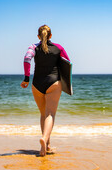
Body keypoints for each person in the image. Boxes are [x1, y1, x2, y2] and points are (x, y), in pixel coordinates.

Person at [20, 24, 70, 156]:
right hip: (53, 83)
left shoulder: (33, 47)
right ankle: (45, 140)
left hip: (37, 84)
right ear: (51, 35)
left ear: (38, 36)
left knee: (43, 114)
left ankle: (45, 147)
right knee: (50, 114)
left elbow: (26, 59)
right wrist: (66, 84)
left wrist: (26, 78)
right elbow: (68, 64)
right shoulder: (59, 48)